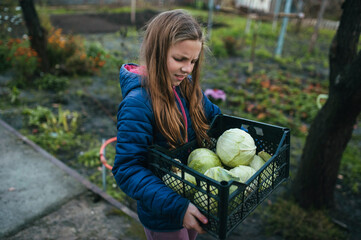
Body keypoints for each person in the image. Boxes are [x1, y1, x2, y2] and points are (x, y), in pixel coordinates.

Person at [112, 9, 221, 240]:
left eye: (193, 61)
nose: (188, 69)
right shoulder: (138, 104)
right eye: (180, 59)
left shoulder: (187, 87)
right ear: (157, 53)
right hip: (163, 212)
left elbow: (215, 117)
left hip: (193, 200)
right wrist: (176, 206)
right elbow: (127, 169)